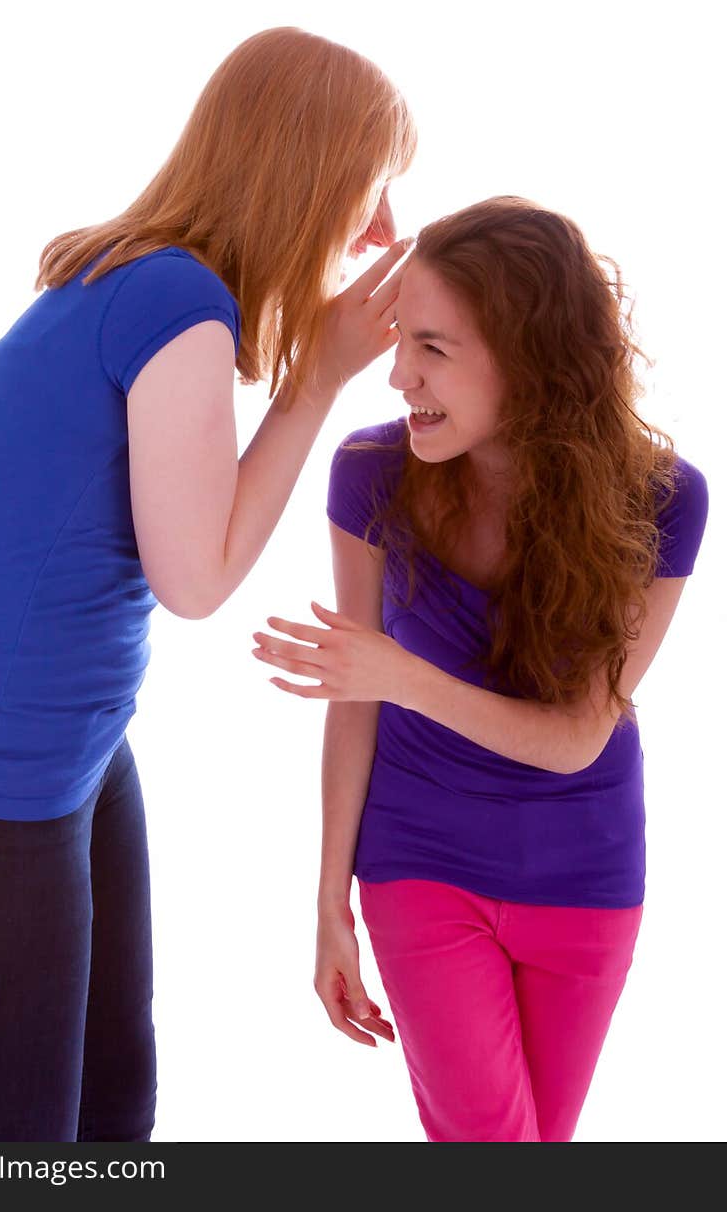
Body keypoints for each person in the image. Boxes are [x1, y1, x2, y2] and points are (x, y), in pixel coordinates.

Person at [0, 25, 417, 1142]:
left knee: (113, 1113)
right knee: (18, 1155)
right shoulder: (176, 306)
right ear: (305, 180)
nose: (385, 231)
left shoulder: (147, 282)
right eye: (372, 190)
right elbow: (195, 581)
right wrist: (319, 388)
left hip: (76, 750)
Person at [250, 196, 710, 1142]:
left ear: (528, 356)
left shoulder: (664, 500)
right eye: (399, 342)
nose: (396, 376)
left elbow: (579, 737)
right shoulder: (370, 476)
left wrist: (395, 673)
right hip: (420, 862)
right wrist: (328, 901)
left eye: (432, 348)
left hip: (587, 874)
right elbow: (356, 705)